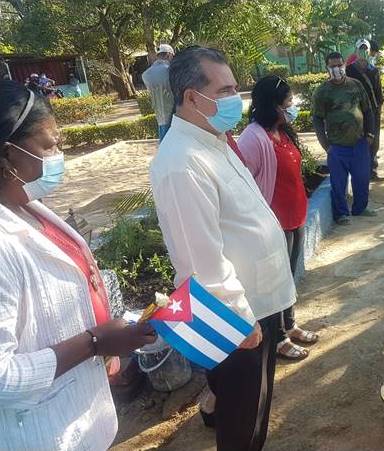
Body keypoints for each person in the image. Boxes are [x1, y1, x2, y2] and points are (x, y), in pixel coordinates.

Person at [150, 46, 295, 450]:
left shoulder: (212, 141)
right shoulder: (181, 162)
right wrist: (241, 322)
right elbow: (201, 260)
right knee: (242, 419)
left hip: (257, 304)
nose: (237, 98)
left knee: (254, 405)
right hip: (235, 318)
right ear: (192, 97)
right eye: (226, 89)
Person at [0, 80, 156, 449]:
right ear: (8, 155)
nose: (59, 154)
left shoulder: (24, 205)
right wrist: (95, 342)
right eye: (49, 144)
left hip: (83, 415)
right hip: (42, 432)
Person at [237, 75, 320, 361]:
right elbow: (243, 185)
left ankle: (290, 323)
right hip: (272, 224)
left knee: (288, 279)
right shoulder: (253, 138)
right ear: (272, 105)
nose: (292, 107)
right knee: (274, 282)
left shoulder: (282, 131)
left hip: (295, 217)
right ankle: (278, 338)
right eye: (288, 103)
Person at [312, 52, 377, 225]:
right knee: (338, 183)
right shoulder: (322, 92)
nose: (337, 69)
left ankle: (360, 208)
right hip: (337, 146)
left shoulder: (356, 85)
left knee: (362, 178)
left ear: (344, 65)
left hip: (359, 143)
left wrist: (370, 134)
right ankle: (341, 214)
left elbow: (368, 110)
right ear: (327, 68)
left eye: (340, 65)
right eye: (333, 66)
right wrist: (326, 145)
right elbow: (317, 119)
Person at [346, 39, 384, 181]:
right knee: (359, 142)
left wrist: (379, 109)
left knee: (374, 141)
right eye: (360, 49)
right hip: (357, 112)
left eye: (365, 50)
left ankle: (372, 171)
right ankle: (361, 173)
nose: (363, 52)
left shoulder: (373, 70)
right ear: (356, 51)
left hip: (373, 111)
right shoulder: (349, 70)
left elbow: (378, 92)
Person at [142, 44, 176, 141]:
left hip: (160, 116)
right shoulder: (171, 71)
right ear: (169, 55)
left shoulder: (146, 74)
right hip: (174, 115)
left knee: (164, 142)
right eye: (172, 56)